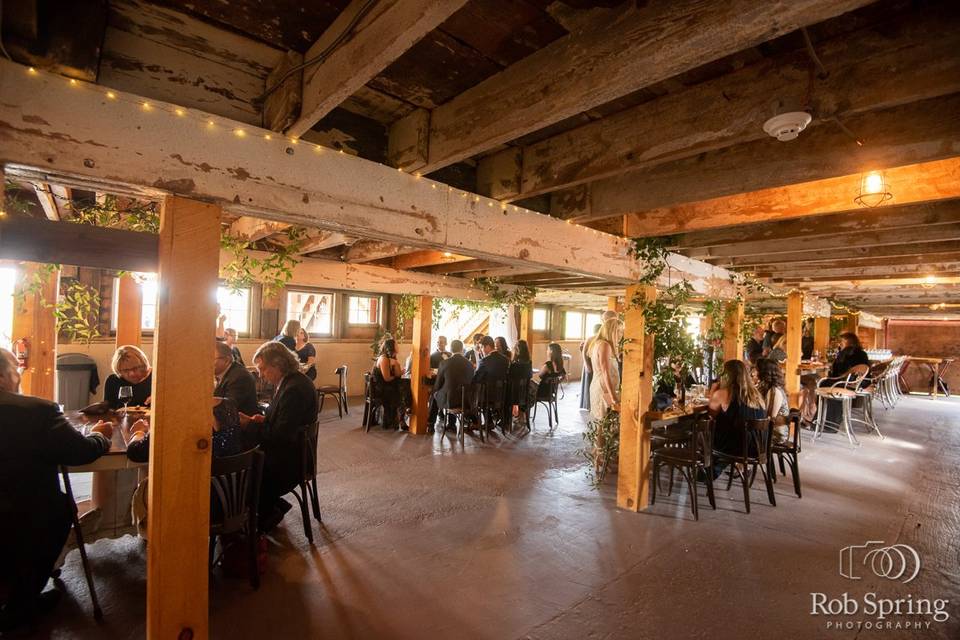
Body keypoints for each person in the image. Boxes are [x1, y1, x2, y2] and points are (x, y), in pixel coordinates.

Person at [0, 348, 113, 633]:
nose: (20, 372)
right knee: (61, 510)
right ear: (3, 376)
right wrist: (101, 435)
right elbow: (80, 452)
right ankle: (21, 604)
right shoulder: (37, 411)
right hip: (25, 509)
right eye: (17, 367)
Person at [239, 342, 318, 531]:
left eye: (263, 369)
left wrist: (249, 425)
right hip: (290, 451)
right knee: (246, 464)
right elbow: (284, 422)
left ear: (278, 364)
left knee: (243, 474)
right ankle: (270, 508)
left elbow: (281, 436)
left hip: (291, 462)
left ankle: (264, 515)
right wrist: (263, 420)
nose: (261, 375)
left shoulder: (294, 389)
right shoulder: (290, 381)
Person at [708, 359, 767, 461]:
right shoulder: (757, 395)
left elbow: (711, 415)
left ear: (727, 376)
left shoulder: (723, 393)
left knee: (701, 430)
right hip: (757, 448)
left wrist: (713, 390)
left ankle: (707, 470)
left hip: (735, 448)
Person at [432, 339, 475, 431]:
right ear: (462, 349)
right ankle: (451, 423)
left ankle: (430, 423)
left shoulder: (444, 363)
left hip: (450, 401)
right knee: (450, 391)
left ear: (451, 349)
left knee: (435, 394)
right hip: (466, 401)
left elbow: (438, 383)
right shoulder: (469, 364)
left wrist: (435, 391)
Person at [214, 340, 260, 416]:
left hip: (241, 424)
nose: (208, 362)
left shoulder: (239, 377)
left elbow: (229, 406)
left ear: (226, 360)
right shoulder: (226, 372)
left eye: (212, 358)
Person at [589, 319, 622, 420]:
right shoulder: (605, 345)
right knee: (603, 426)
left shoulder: (601, 343)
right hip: (603, 390)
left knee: (604, 427)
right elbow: (605, 372)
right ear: (611, 331)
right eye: (618, 331)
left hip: (605, 388)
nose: (621, 334)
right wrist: (613, 397)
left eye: (622, 331)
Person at [103, 345, 153, 409]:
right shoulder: (113, 381)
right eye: (125, 370)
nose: (131, 374)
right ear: (119, 370)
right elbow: (108, 410)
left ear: (143, 365)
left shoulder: (156, 377)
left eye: (135, 368)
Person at [371, 338, 405, 430]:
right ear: (391, 347)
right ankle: (398, 420)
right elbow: (387, 378)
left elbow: (396, 374)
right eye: (396, 344)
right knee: (400, 390)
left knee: (401, 387)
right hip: (380, 390)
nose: (398, 346)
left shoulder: (391, 358)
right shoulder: (384, 359)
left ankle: (399, 419)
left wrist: (398, 368)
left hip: (385, 386)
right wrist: (397, 373)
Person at [755, 358, 790, 443]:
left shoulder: (774, 391)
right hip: (769, 429)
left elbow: (769, 417)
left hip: (775, 433)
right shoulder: (765, 386)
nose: (755, 373)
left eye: (757, 370)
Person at [508, 340, 534, 421]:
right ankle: (521, 414)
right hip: (526, 394)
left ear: (517, 350)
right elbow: (530, 375)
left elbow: (509, 376)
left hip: (514, 395)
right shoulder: (529, 362)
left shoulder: (514, 365)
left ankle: (506, 417)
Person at [579, 324, 601, 411]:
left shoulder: (601, 339)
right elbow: (584, 353)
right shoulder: (590, 339)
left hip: (596, 363)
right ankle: (588, 404)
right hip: (589, 363)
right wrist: (587, 365)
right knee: (589, 383)